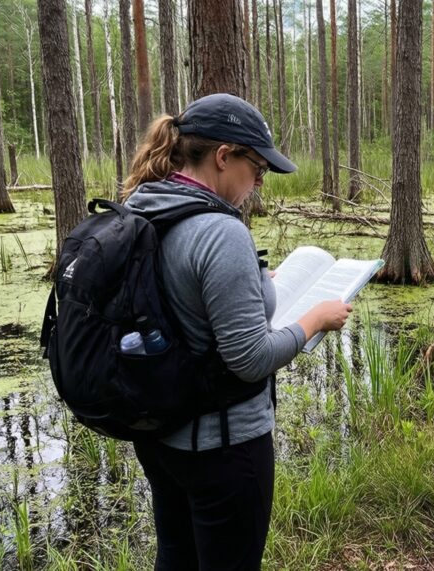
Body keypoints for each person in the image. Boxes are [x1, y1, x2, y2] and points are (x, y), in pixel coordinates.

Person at [120, 93, 352, 570]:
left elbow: (175, 299)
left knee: (176, 556)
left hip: (159, 432)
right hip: (222, 445)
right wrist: (314, 320)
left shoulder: (143, 205)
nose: (259, 182)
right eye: (257, 168)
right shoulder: (219, 231)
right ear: (224, 156)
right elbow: (248, 359)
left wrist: (248, 287)